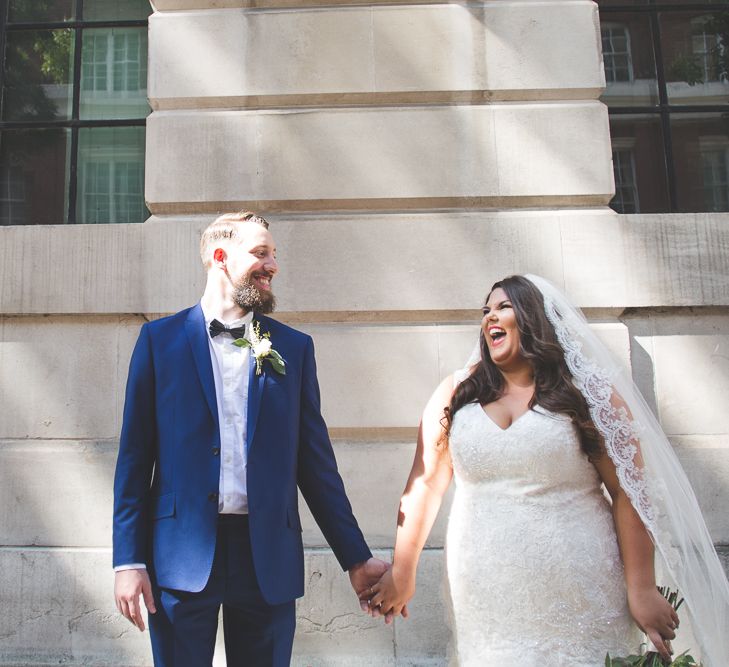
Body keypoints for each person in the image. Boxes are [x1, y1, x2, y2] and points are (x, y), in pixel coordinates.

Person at [366, 275, 729, 666]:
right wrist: (403, 571)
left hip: (581, 586)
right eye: (486, 310)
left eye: (504, 307)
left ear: (534, 318)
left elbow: (629, 491)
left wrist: (640, 588)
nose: (490, 316)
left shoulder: (589, 394)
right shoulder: (456, 392)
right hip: (487, 592)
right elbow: (425, 486)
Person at [113, 211, 389, 666]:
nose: (273, 265)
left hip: (267, 558)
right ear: (220, 257)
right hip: (180, 557)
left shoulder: (294, 348)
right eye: (261, 253)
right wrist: (128, 561)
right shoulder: (158, 342)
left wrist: (356, 559)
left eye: (274, 255)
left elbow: (316, 466)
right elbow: (134, 460)